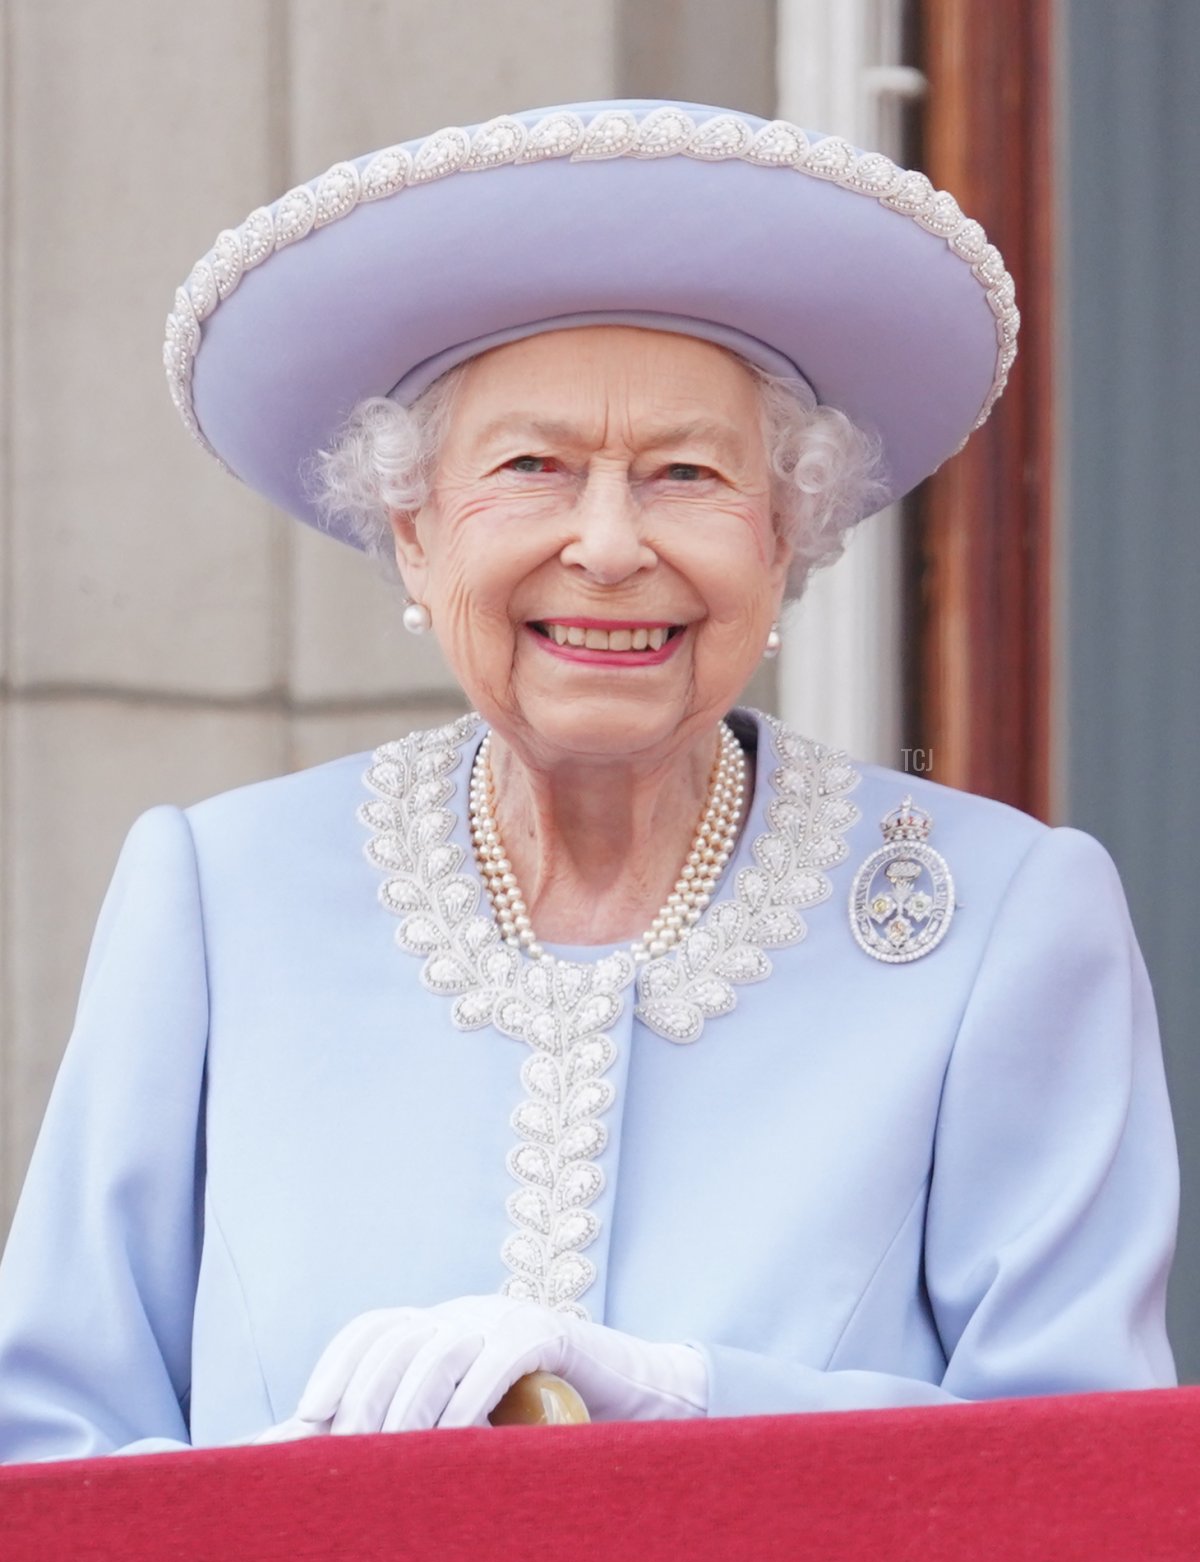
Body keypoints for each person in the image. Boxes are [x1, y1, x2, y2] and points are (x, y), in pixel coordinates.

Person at [0, 99, 1177, 1463]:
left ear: (787, 532)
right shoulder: (217, 897)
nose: (609, 545)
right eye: (531, 469)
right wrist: (292, 1517)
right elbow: (42, 1456)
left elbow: (1082, 1475)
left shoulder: (1008, 921)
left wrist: (680, 1395)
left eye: (687, 473)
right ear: (413, 532)